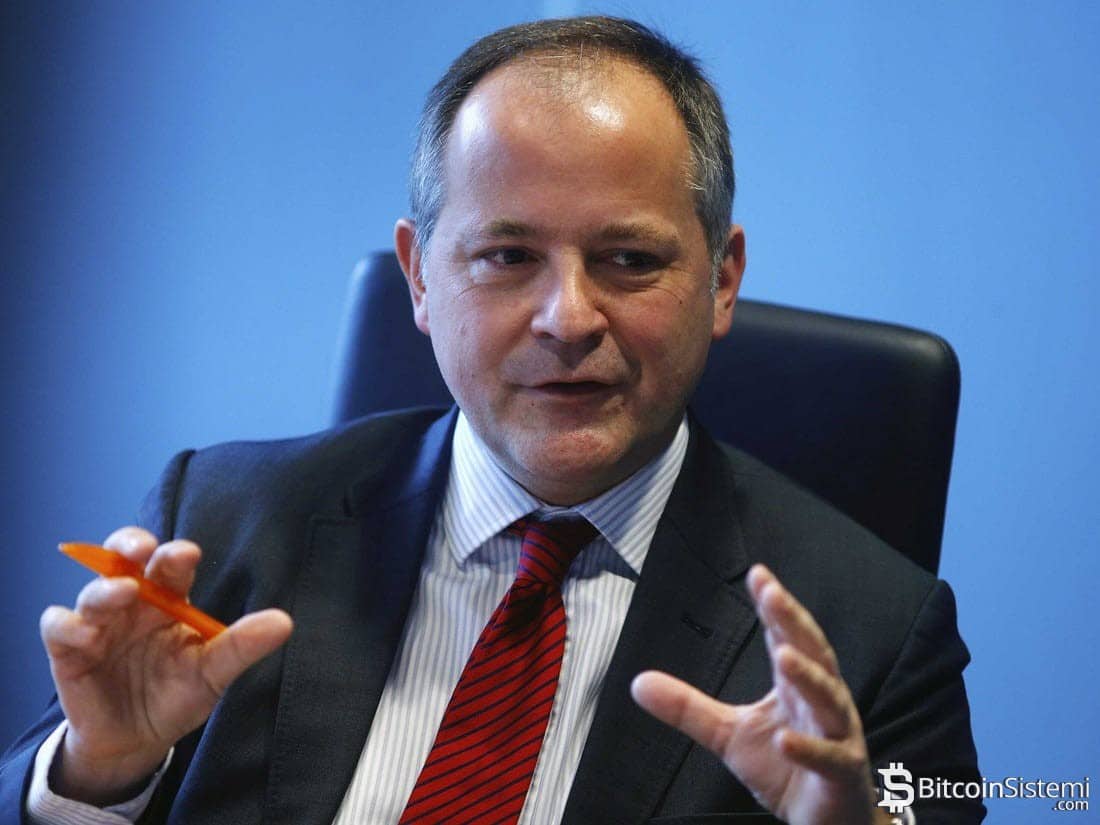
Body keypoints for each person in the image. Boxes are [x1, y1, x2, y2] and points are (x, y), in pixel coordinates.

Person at [1, 16, 982, 825]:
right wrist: (101, 775)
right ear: (420, 277)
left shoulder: (877, 637)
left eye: (629, 260)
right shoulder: (222, 522)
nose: (567, 319)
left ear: (722, 280)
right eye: (507, 257)